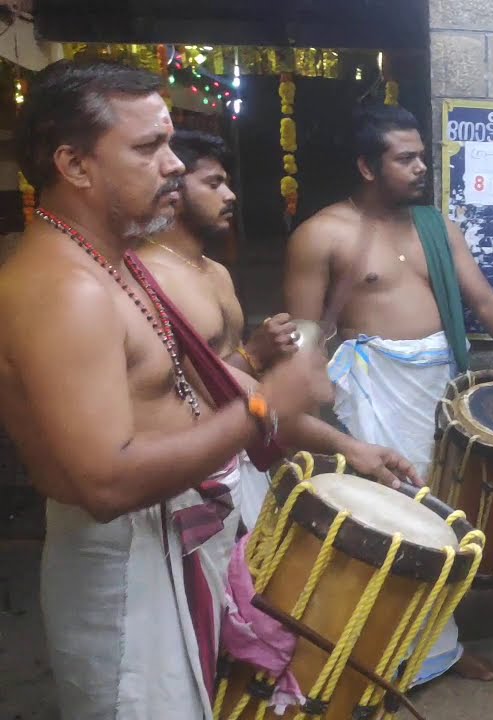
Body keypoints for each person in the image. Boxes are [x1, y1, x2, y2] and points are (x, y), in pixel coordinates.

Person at [0, 59, 332, 719]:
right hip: (121, 569)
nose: (174, 165)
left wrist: (323, 429)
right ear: (75, 165)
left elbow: (190, 382)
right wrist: (265, 405)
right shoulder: (66, 289)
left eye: (170, 143)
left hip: (170, 539)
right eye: (149, 146)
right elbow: (106, 483)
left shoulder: (116, 261)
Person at [283, 104, 493, 685]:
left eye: (421, 156)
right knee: (388, 519)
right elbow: (303, 338)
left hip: (441, 394)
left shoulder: (436, 228)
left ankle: (439, 650)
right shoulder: (321, 234)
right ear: (367, 166)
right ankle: (369, 656)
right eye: (405, 158)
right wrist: (307, 418)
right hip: (372, 393)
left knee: (443, 517)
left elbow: (484, 301)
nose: (421, 167)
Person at [139, 129, 420, 529]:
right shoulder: (152, 278)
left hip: (239, 457)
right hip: (188, 477)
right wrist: (255, 356)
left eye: (228, 183)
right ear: (173, 189)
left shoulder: (215, 272)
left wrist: (347, 446)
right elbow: (192, 394)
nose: (230, 196)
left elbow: (239, 390)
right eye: (214, 184)